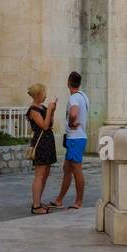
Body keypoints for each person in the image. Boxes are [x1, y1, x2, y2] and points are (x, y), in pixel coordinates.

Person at [50, 71, 89, 210]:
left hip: (75, 138)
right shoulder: (83, 96)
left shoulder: (74, 98)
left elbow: (73, 113)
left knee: (76, 169)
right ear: (79, 83)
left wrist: (72, 122)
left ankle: (78, 202)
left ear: (68, 83)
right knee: (67, 168)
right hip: (79, 137)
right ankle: (59, 199)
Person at [26, 83, 57, 214]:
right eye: (44, 93)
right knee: (39, 174)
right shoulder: (33, 110)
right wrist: (49, 110)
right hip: (41, 144)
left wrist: (52, 111)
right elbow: (44, 126)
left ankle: (38, 201)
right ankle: (36, 206)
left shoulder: (42, 107)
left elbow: (50, 123)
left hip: (48, 142)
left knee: (45, 173)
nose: (45, 95)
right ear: (38, 94)